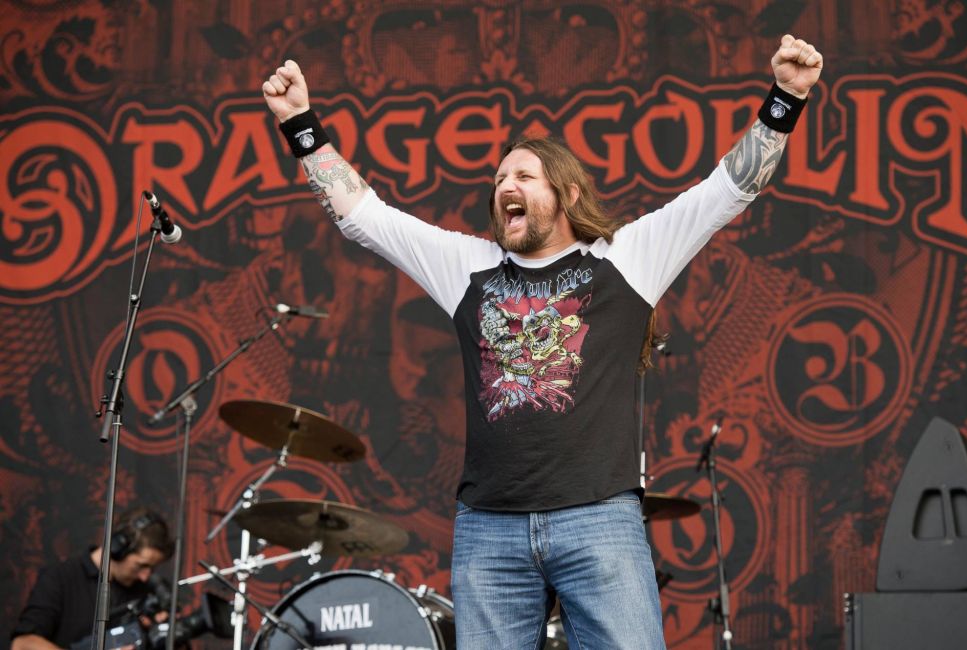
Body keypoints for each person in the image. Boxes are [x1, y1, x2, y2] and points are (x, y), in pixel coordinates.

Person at [263, 34, 822, 649]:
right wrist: (300, 126)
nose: (507, 183)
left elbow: (728, 190)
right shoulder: (466, 268)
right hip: (489, 529)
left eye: (525, 174)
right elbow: (365, 216)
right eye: (500, 176)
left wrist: (786, 99)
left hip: (599, 518)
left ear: (566, 193)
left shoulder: (628, 258)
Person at [11, 507, 174, 650]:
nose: (145, 576)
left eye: (152, 568)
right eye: (140, 565)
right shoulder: (61, 577)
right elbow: (23, 644)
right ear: (116, 548)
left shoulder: (146, 591)